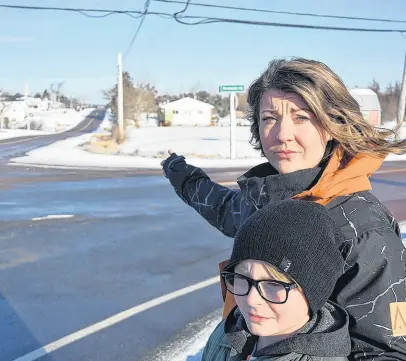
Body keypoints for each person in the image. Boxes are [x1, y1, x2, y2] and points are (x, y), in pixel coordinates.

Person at [162, 58, 406, 360]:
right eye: (269, 118)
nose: (281, 134)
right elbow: (225, 209)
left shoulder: (364, 229)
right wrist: (181, 174)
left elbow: (390, 349)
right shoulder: (269, 197)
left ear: (332, 126)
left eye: (301, 117)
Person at [202, 199, 351, 361]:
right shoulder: (228, 331)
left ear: (315, 291)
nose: (251, 300)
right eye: (241, 277)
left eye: (273, 284)